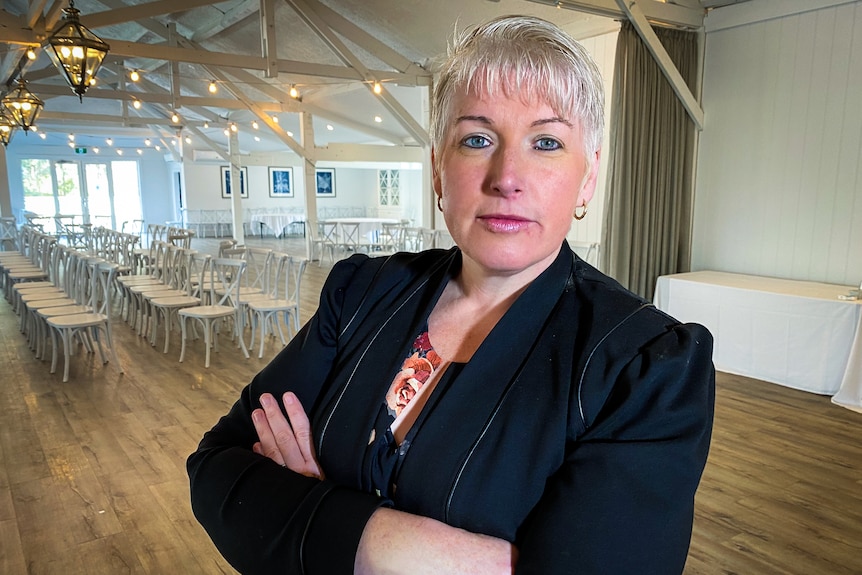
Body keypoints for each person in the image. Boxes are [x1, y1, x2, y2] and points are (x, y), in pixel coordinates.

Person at [187, 14, 715, 575]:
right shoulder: (361, 292)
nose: (507, 176)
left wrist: (312, 510)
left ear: (588, 177)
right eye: (477, 139)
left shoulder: (644, 367)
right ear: (439, 169)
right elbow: (217, 468)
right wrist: (474, 558)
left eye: (546, 142)